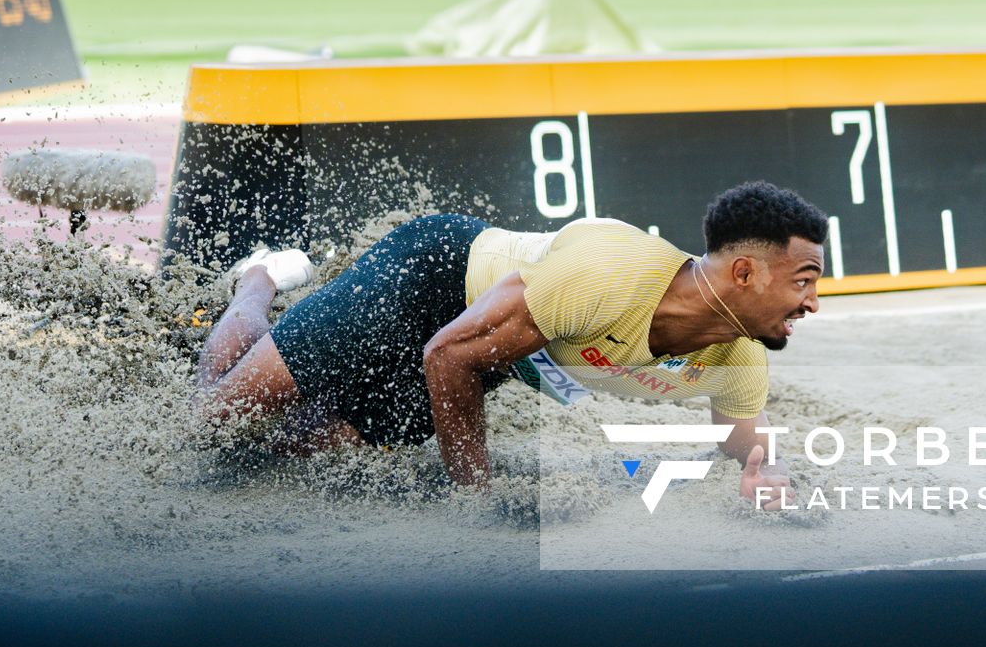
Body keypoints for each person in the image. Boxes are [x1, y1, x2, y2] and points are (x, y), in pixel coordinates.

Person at [192, 182, 828, 507]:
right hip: (433, 277)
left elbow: (742, 431)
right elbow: (449, 355)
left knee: (293, 446)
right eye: (804, 281)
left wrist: (764, 469)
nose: (812, 302)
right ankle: (261, 278)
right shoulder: (610, 273)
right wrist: (477, 497)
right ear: (744, 274)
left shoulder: (735, 350)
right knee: (220, 419)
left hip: (486, 352)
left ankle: (284, 338)